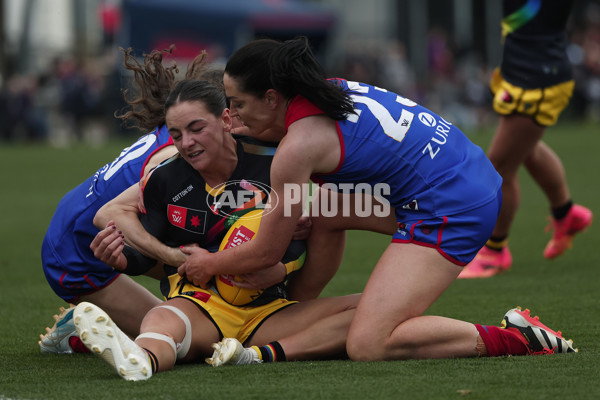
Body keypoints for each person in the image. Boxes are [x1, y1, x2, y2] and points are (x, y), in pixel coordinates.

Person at [175, 37, 577, 364]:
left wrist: (209, 263)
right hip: (465, 173)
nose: (231, 113)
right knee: (324, 210)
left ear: (271, 97)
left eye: (238, 103)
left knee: (369, 345)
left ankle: (519, 338)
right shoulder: (323, 91)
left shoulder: (298, 148)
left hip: (451, 207)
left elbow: (265, 252)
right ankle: (295, 310)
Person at [76, 78, 360, 381]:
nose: (186, 143)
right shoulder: (163, 181)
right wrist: (123, 261)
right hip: (201, 305)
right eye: (176, 135)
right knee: (161, 318)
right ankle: (139, 359)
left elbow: (299, 240)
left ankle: (258, 355)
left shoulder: (275, 163)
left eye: (197, 129)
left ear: (225, 120)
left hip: (268, 310)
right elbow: (149, 252)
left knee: (365, 310)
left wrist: (280, 269)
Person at [38, 46, 209, 353]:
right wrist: (172, 258)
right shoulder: (181, 154)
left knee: (200, 310)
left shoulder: (183, 132)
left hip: (84, 223)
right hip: (76, 253)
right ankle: (77, 329)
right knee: (190, 339)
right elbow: (112, 216)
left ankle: (108, 320)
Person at [459, 0, 593, 279]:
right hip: (524, 72)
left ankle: (495, 252)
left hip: (537, 78)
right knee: (525, 150)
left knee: (499, 168)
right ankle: (566, 214)